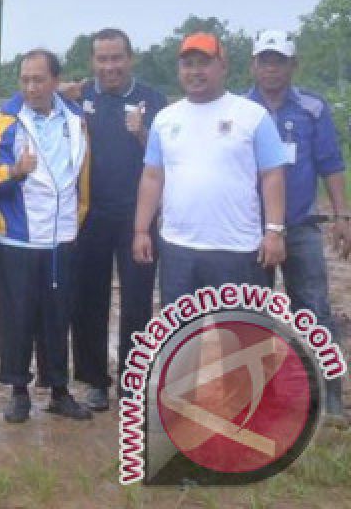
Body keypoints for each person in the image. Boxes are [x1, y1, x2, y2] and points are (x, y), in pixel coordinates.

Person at [133, 32, 288, 304]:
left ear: (223, 66)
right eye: (188, 64)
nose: (195, 71)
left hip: (237, 249)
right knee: (183, 339)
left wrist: (274, 231)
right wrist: (141, 230)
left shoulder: (251, 115)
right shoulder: (166, 119)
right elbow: (153, 176)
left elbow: (272, 175)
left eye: (203, 63)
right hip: (178, 248)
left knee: (240, 340)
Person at [247, 29, 348, 422]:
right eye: (265, 60)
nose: (271, 68)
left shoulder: (313, 108)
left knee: (314, 311)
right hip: (251, 229)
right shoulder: (239, 108)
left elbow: (332, 164)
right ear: (253, 65)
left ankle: (330, 397)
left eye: (279, 60)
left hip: (303, 226)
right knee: (253, 313)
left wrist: (343, 217)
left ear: (293, 64)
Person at [0, 49, 93, 423]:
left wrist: (76, 221)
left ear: (55, 81)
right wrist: (15, 171)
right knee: (17, 316)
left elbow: (83, 176)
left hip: (61, 235)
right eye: (25, 79)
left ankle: (59, 390)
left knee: (58, 314)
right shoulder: (5, 120)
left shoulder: (76, 119)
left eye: (38, 79)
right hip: (17, 236)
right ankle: (18, 391)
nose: (30, 87)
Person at [67, 29, 167, 411]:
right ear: (92, 62)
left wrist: (142, 133)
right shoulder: (80, 98)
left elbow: (166, 161)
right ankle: (94, 381)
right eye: (102, 59)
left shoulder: (154, 102)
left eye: (116, 58)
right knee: (87, 299)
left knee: (138, 301)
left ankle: (133, 380)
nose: (109, 67)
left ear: (130, 58)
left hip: (138, 218)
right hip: (89, 214)